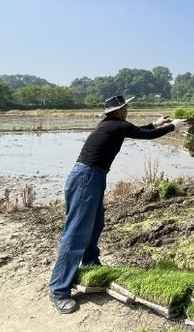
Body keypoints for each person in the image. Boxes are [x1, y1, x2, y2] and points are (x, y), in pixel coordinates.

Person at [48, 95, 185, 314]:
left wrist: (157, 124)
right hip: (86, 178)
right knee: (76, 232)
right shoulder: (115, 125)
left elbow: (139, 130)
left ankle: (91, 265)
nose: (128, 109)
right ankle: (58, 290)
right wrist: (172, 128)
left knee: (95, 224)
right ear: (119, 110)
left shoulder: (113, 126)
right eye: (126, 107)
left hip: (93, 177)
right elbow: (144, 136)